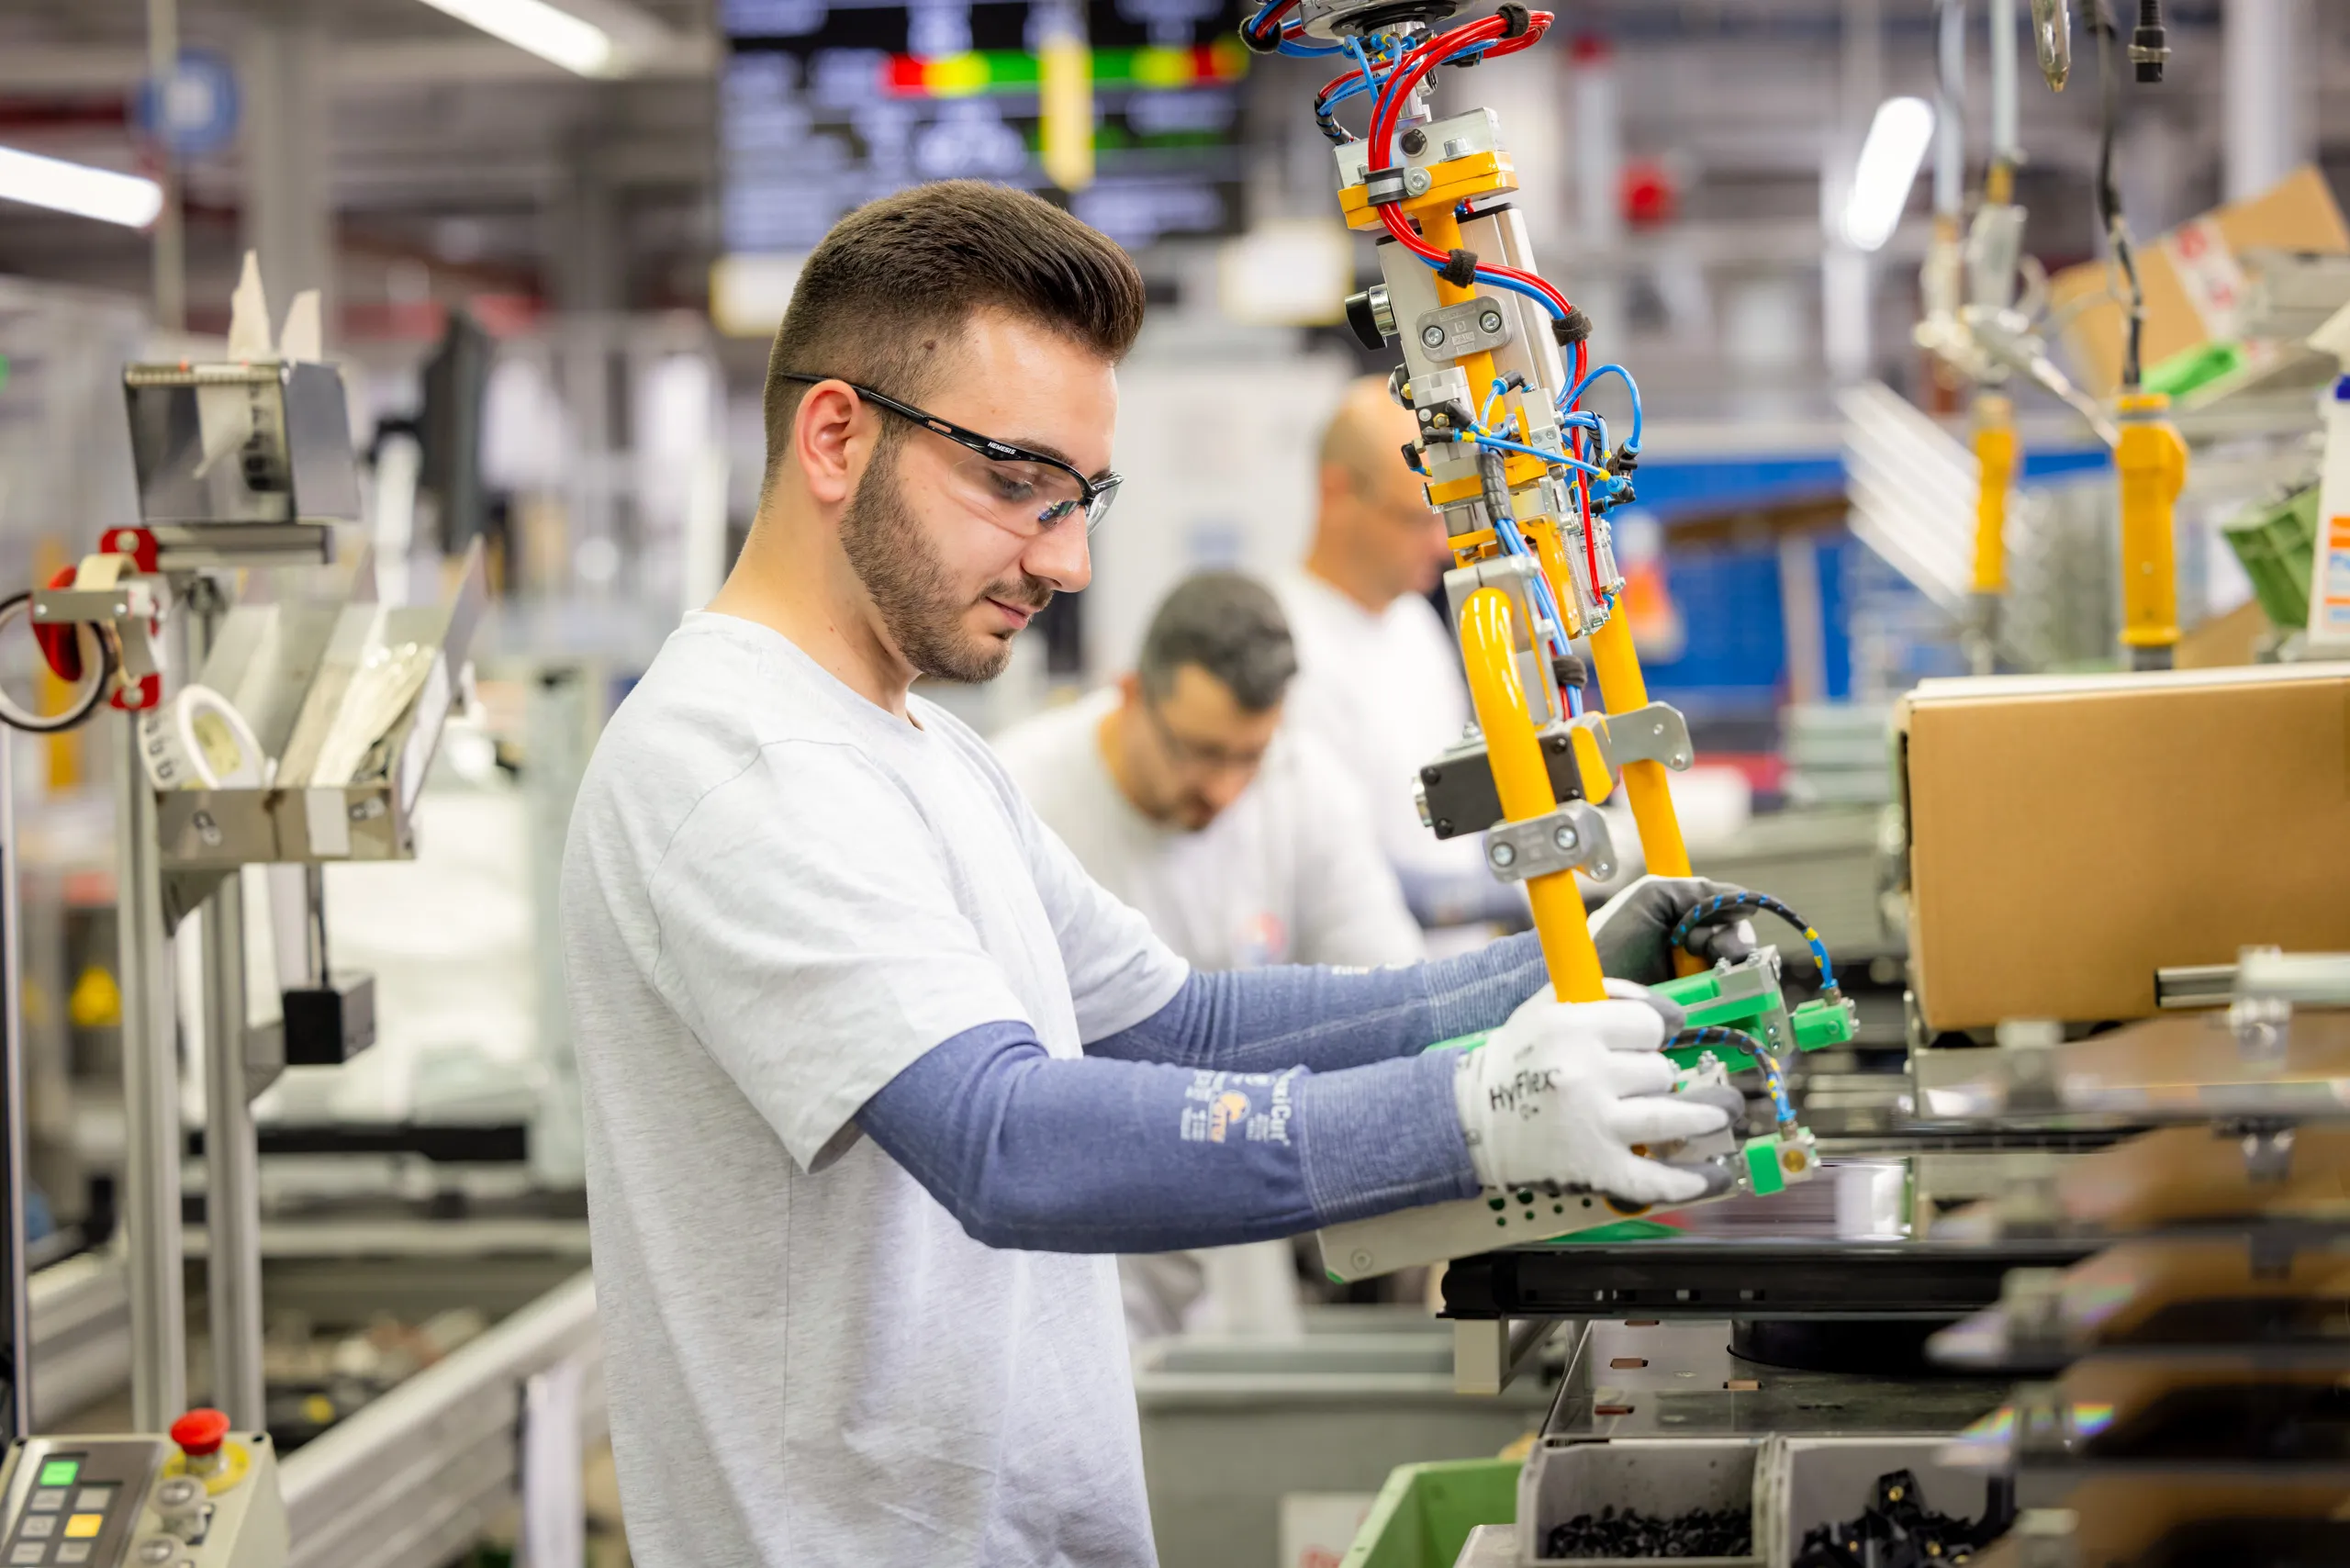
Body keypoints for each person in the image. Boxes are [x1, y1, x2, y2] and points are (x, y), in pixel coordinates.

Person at [560, 180, 1744, 1567]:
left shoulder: (925, 751)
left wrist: (1570, 965)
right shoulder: (734, 763)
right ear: (835, 436)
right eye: (1015, 485)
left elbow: (1178, 1023)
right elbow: (1003, 1142)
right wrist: (1472, 1116)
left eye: (1083, 499)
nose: (1063, 558)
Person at [993, 570, 1422, 1339]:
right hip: (1070, 1249)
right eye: (1200, 752)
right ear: (1130, 695)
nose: (1224, 789)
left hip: (1244, 1244)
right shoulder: (1019, 801)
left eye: (1247, 757)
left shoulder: (1305, 792)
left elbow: (1388, 1000)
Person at [1272, 377, 1519, 932]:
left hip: (1462, 974)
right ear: (1337, 493)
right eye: (1417, 519)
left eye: (1448, 519)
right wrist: (1501, 896)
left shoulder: (1415, 624)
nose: (1442, 545)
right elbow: (1321, 872)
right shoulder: (1285, 645)